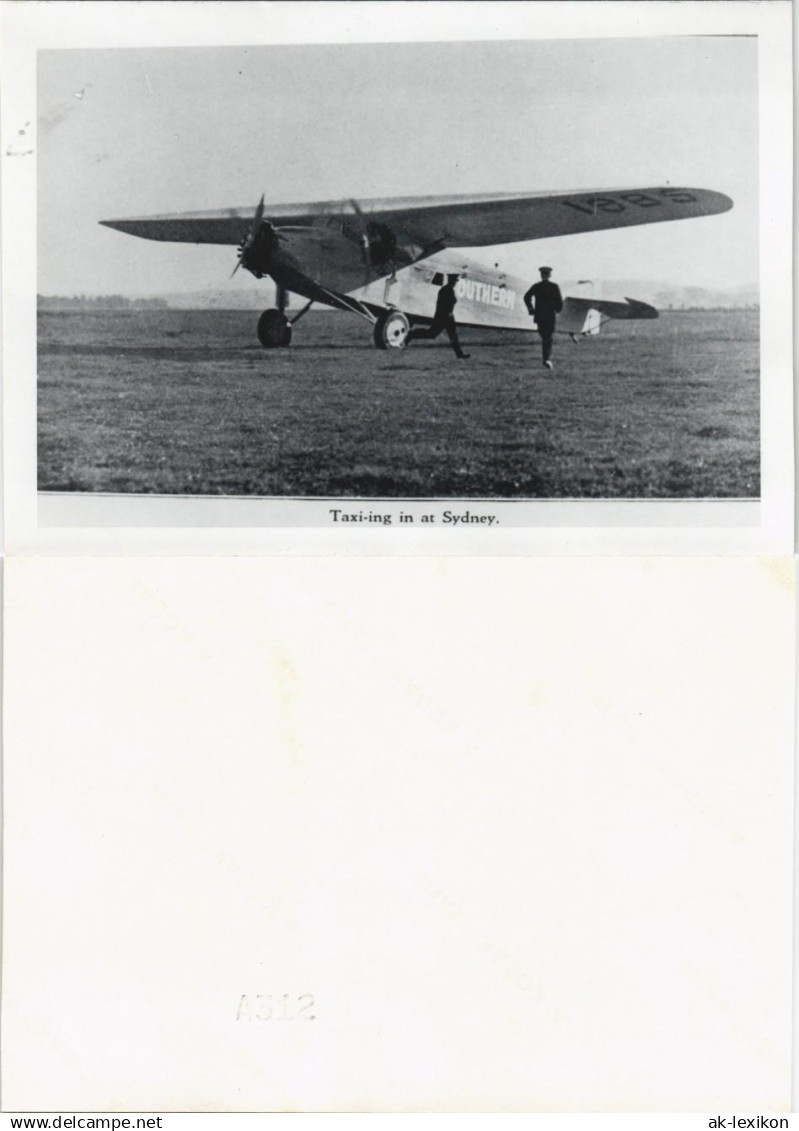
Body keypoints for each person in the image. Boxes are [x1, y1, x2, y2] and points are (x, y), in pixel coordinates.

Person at [407, 275, 470, 359]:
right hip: (444, 317)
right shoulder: (446, 290)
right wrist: (445, 315)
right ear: (450, 281)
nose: (455, 283)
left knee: (452, 336)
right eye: (454, 281)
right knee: (432, 334)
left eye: (455, 281)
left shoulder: (448, 290)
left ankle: (459, 354)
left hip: (448, 317)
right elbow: (442, 305)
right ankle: (412, 334)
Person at [524, 266, 563, 369]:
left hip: (540, 316)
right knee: (548, 338)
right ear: (549, 275)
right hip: (550, 316)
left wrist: (531, 309)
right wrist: (557, 310)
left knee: (544, 337)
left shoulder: (537, 286)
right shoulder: (554, 287)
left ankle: (546, 359)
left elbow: (526, 297)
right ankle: (547, 359)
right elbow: (559, 303)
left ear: (541, 275)